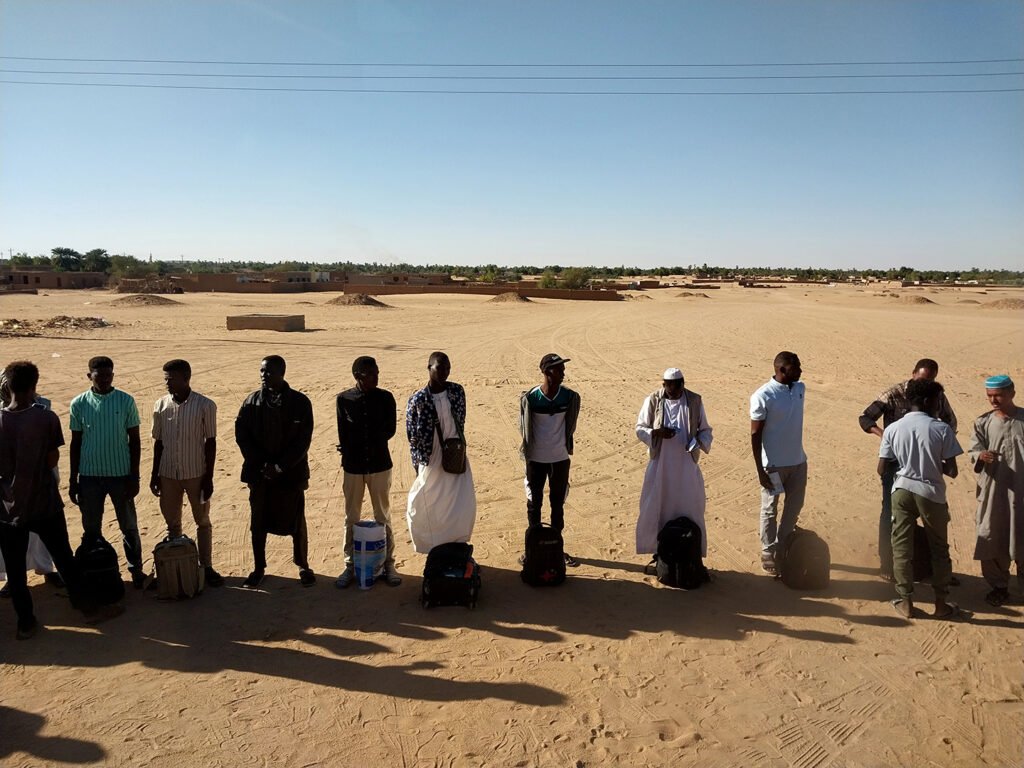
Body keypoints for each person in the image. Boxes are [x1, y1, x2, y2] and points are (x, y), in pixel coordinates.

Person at [0, 361, 122, 639]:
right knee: (65, 559)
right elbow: (52, 459)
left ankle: (26, 623)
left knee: (16, 569)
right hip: (44, 503)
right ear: (34, 387)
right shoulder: (45, 418)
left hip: (8, 508)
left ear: (7, 386)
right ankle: (89, 610)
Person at [860, 358, 957, 581]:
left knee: (933, 517)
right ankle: (887, 564)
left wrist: (938, 446)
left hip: (925, 463)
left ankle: (937, 569)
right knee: (891, 514)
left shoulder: (936, 394)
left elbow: (951, 422)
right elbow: (865, 417)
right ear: (913, 373)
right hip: (895, 461)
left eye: (930, 380)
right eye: (922, 379)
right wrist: (884, 435)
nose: (926, 384)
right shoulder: (893, 393)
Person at [879, 379, 963, 619]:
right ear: (928, 401)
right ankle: (940, 603)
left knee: (902, 548)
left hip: (902, 490)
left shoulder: (893, 428)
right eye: (938, 400)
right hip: (931, 493)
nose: (939, 405)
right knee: (939, 548)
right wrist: (930, 463)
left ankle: (905, 602)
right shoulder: (941, 429)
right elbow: (953, 471)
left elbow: (881, 467)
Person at [234, 355, 315, 588]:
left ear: (282, 373)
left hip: (290, 474)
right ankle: (258, 567)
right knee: (258, 521)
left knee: (296, 521)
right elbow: (242, 435)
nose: (263, 375)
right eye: (261, 371)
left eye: (268, 372)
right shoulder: (251, 402)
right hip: (260, 475)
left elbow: (303, 441)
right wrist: (261, 465)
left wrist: (280, 466)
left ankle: (303, 565)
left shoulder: (300, 403)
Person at [68, 356, 145, 587]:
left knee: (128, 526)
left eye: (108, 374)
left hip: (120, 475)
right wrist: (74, 480)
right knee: (91, 527)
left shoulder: (125, 401)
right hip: (90, 476)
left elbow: (135, 441)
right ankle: (94, 570)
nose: (104, 379)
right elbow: (75, 443)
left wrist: (134, 476)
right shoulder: (78, 403)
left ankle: (136, 570)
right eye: (99, 374)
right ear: (89, 376)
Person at [150, 359, 223, 587]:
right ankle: (177, 565)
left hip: (196, 473)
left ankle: (206, 566)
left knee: (202, 520)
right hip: (168, 473)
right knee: (172, 522)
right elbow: (158, 443)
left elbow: (210, 442)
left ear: (185, 377)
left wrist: (208, 478)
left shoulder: (205, 405)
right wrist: (155, 474)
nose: (167, 383)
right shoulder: (160, 405)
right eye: (165, 379)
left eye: (171, 378)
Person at [635, 367, 713, 566]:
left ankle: (690, 549)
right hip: (660, 465)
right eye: (669, 386)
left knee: (689, 505)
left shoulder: (694, 400)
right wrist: (656, 433)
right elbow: (640, 428)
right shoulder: (653, 400)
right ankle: (659, 551)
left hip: (686, 465)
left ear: (682, 384)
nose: (673, 390)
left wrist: (698, 441)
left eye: (677, 387)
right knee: (657, 505)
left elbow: (705, 430)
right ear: (664, 385)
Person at [335, 356, 401, 588]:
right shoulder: (343, 399)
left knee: (382, 515)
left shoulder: (385, 398)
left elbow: (389, 430)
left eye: (377, 373)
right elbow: (343, 431)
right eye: (370, 374)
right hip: (353, 467)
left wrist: (366, 440)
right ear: (357, 376)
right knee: (351, 517)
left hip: (380, 464)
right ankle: (350, 564)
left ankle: (389, 564)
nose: (376, 377)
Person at [405, 352, 476, 553]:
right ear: (429, 369)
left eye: (447, 368)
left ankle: (456, 542)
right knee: (424, 500)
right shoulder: (418, 400)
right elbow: (412, 436)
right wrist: (418, 463)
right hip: (431, 457)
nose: (444, 372)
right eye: (439, 368)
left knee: (458, 502)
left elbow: (460, 421)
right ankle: (432, 545)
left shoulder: (457, 391)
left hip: (454, 454)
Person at [0, 370, 62, 597]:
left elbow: (51, 450)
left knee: (41, 537)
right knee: (12, 541)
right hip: (10, 489)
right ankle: (12, 580)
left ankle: (47, 569)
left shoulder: (43, 406)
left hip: (40, 482)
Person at [519, 353, 582, 566]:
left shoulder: (569, 397)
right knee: (534, 505)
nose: (563, 373)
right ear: (546, 373)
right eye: (558, 369)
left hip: (560, 459)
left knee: (558, 504)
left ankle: (557, 546)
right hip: (535, 459)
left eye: (562, 369)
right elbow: (524, 428)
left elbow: (570, 423)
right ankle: (532, 549)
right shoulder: (530, 399)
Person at [968, 375, 1023, 607]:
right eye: (990, 396)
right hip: (994, 493)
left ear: (1012, 392)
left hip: (1021, 493)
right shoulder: (983, 422)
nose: (994, 400)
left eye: (998, 395)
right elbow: (974, 449)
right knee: (993, 536)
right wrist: (981, 456)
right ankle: (999, 586)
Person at [750, 351, 807, 575]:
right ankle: (767, 550)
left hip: (798, 461)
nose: (801, 371)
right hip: (773, 464)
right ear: (782, 370)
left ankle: (783, 546)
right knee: (770, 509)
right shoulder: (763, 396)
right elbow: (755, 435)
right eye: (797, 367)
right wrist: (760, 470)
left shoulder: (800, 389)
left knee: (794, 507)